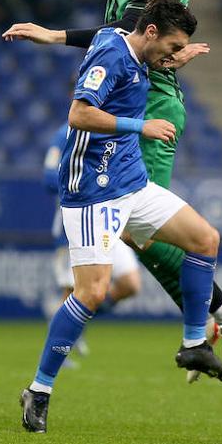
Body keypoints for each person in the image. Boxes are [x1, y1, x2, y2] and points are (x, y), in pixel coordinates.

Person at [3, 0, 222, 381]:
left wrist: (55, 36)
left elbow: (131, 33)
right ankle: (210, 318)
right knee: (141, 232)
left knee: (144, 230)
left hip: (150, 104)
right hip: (142, 102)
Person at [19, 0, 222, 434]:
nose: (172, 56)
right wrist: (141, 126)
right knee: (92, 293)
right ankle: (39, 391)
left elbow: (145, 65)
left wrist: (175, 62)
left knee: (204, 239)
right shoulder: (111, 53)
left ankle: (194, 342)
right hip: (91, 192)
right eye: (172, 47)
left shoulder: (136, 47)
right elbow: (79, 114)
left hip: (132, 183)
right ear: (151, 32)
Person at [41, 127, 141, 368]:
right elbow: (48, 178)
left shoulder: (114, 130)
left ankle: (77, 318)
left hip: (109, 221)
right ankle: (58, 354)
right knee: (72, 290)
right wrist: (88, 179)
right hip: (76, 223)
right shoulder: (62, 134)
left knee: (130, 283)